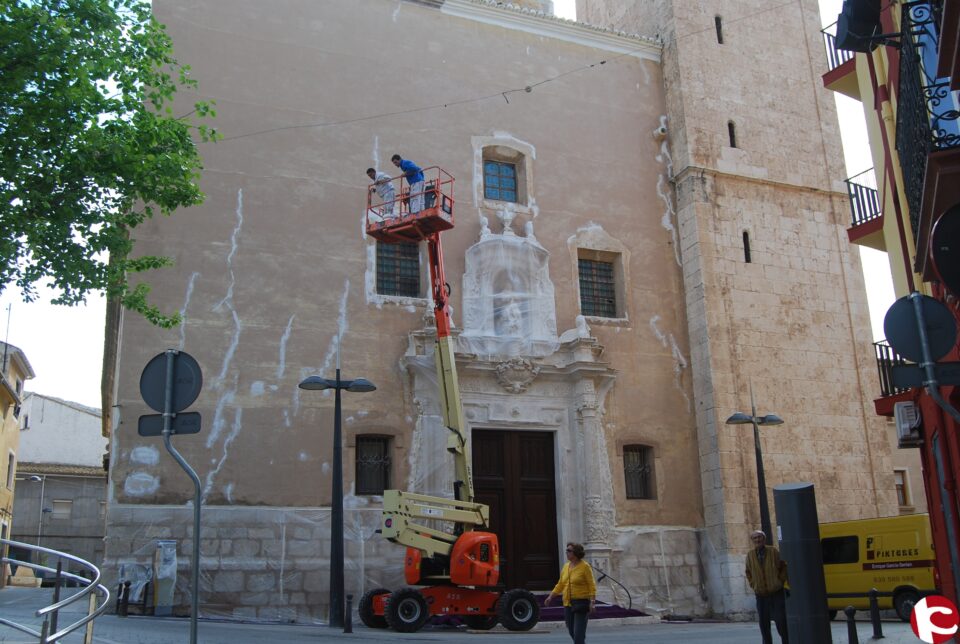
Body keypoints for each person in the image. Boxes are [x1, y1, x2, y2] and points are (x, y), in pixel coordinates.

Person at [545, 542, 596, 644]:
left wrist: (592, 601)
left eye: (569, 550)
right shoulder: (566, 566)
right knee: (572, 631)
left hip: (581, 602)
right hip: (567, 603)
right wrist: (551, 597)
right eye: (566, 550)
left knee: (578, 635)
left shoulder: (585, 567)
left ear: (576, 553)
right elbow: (560, 584)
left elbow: (591, 585)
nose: (566, 552)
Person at [744, 529, 789, 644]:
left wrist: (779, 581)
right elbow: (748, 572)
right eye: (755, 538)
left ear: (764, 539)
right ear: (752, 541)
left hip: (776, 592)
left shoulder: (773, 551)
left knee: (781, 620)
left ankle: (786, 641)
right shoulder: (750, 555)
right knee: (764, 623)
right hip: (761, 594)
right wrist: (754, 584)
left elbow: (783, 566)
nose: (757, 540)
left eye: (759, 537)